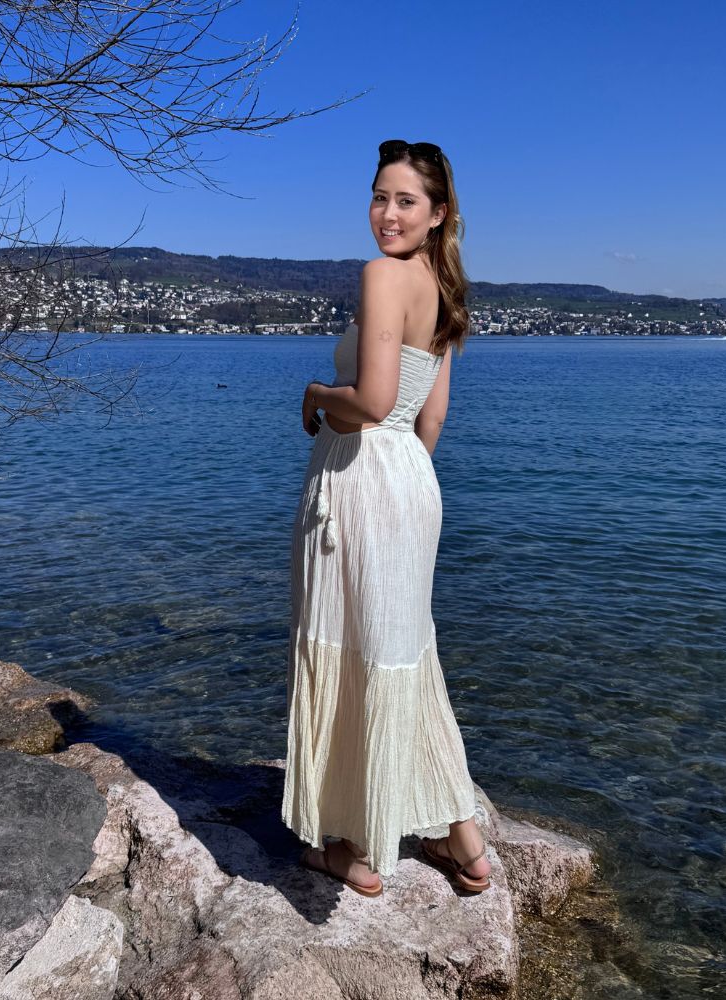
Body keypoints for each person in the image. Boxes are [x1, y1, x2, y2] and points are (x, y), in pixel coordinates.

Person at [281, 139, 492, 897]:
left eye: (406, 201)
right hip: (410, 481)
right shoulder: (444, 290)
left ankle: (358, 849)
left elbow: (369, 403)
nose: (387, 214)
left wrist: (315, 394)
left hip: (359, 477)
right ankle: (463, 842)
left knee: (349, 649)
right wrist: (401, 483)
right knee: (403, 655)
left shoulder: (382, 275)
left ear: (438, 213)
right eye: (380, 197)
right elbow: (429, 418)